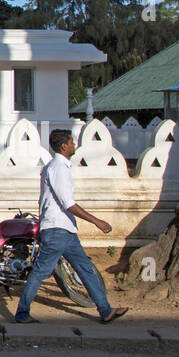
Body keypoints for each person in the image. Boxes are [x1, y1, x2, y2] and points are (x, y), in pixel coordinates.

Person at [14, 129, 128, 325]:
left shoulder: (57, 166)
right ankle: (22, 313)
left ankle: (105, 310)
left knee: (85, 269)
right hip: (58, 230)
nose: (74, 145)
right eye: (72, 142)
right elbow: (68, 203)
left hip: (64, 229)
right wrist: (97, 221)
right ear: (64, 146)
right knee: (41, 272)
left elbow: (47, 201)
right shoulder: (58, 167)